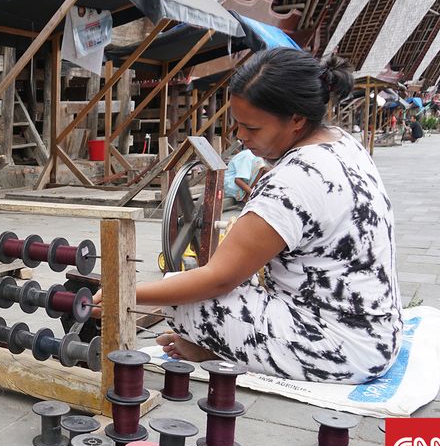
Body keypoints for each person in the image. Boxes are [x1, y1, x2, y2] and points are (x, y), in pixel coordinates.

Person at [97, 48, 401, 384]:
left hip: (340, 349)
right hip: (377, 333)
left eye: (251, 127)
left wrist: (126, 292)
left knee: (185, 301)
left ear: (297, 120)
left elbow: (220, 278)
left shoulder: (294, 178)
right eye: (236, 123)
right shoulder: (343, 144)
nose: (240, 136)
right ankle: (219, 347)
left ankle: (214, 347)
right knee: (194, 290)